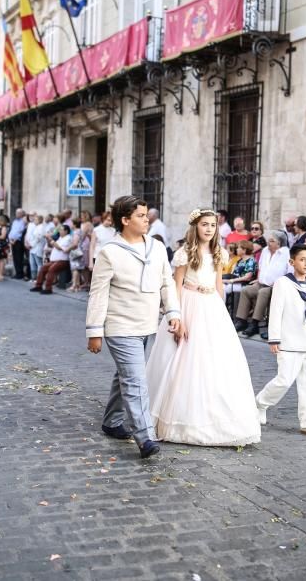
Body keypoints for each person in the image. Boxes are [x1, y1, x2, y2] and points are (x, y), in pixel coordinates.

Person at [146, 209, 261, 446]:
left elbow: (218, 285)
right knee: (183, 360)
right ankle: (176, 417)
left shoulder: (219, 252)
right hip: (189, 304)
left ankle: (216, 418)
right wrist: (176, 318)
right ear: (195, 227)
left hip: (211, 307)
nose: (209, 229)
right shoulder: (184, 253)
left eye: (212, 225)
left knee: (215, 362)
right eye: (204, 225)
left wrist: (221, 316)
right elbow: (176, 286)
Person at [86, 195, 182, 459]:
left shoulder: (157, 248)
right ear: (125, 220)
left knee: (126, 376)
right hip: (119, 326)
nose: (146, 219)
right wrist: (95, 332)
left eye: (146, 215)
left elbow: (167, 283)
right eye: (140, 216)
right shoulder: (109, 252)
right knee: (136, 381)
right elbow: (98, 294)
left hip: (147, 324)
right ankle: (145, 437)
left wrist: (173, 312)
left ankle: (112, 421)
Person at [255, 243, 306, 438]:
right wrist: (274, 339)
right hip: (288, 340)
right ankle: (260, 403)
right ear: (292, 261)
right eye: (302, 259)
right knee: (284, 380)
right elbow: (276, 311)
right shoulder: (283, 283)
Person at [235, 230, 290, 338]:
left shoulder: (286, 254)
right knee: (246, 290)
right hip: (261, 283)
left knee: (262, 292)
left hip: (275, 286)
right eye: (269, 240)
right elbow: (261, 267)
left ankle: (255, 324)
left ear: (279, 243)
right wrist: (259, 279)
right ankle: (242, 320)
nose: (268, 242)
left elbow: (289, 272)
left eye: (272, 241)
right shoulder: (265, 251)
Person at [32, 223, 74, 294]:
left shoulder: (68, 238)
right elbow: (53, 246)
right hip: (54, 260)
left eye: (61, 230)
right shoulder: (60, 238)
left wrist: (51, 239)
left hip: (62, 260)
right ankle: (38, 286)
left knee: (51, 270)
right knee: (43, 268)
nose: (59, 231)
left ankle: (48, 288)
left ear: (66, 231)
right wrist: (48, 239)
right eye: (59, 230)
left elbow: (59, 247)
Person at [8, 208, 28, 280]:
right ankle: (17, 273)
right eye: (16, 213)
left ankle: (20, 273)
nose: (17, 214)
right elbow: (12, 230)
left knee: (19, 258)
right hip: (12, 241)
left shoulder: (23, 221)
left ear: (22, 214)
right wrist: (10, 239)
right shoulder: (15, 221)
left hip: (18, 241)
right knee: (15, 258)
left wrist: (15, 240)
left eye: (19, 213)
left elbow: (20, 232)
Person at [25, 213, 44, 279]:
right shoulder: (36, 227)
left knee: (38, 263)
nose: (34, 221)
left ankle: (39, 278)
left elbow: (38, 238)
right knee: (32, 263)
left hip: (37, 247)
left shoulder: (41, 227)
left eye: (36, 220)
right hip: (32, 247)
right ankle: (33, 278)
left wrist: (31, 244)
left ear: (40, 220)